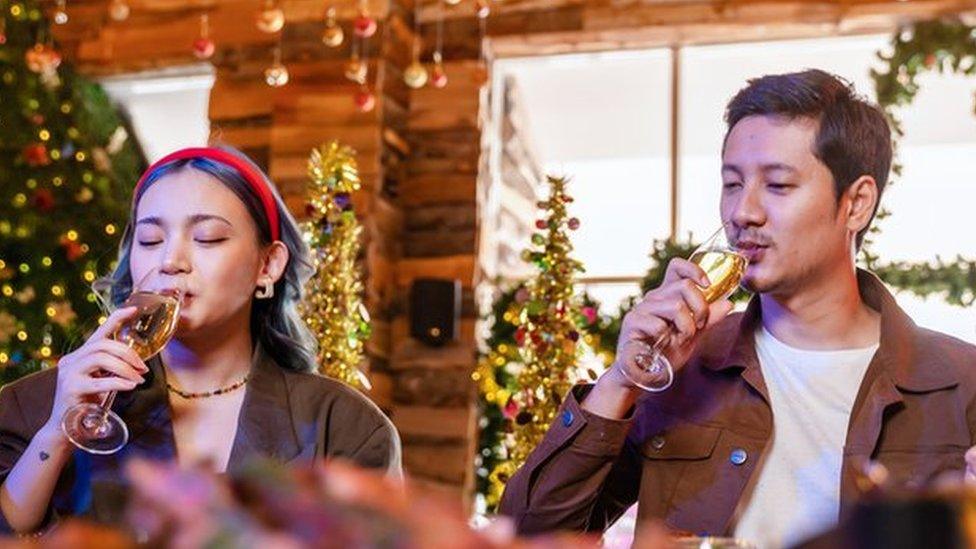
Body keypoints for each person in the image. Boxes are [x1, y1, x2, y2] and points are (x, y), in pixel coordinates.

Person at [499, 69, 976, 548]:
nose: (742, 212)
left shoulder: (961, 383)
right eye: (731, 184)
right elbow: (527, 536)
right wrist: (621, 381)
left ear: (856, 204)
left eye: (778, 185)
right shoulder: (680, 365)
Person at [0, 146, 401, 534]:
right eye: (151, 240)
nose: (170, 261)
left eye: (208, 238)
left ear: (268, 264)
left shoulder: (347, 426)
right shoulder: (32, 405)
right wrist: (56, 431)